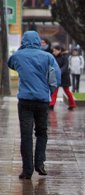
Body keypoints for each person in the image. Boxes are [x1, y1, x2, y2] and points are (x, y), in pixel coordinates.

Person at [7, 30, 61, 179]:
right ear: (38, 41)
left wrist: (22, 49)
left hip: (25, 101)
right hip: (42, 101)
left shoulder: (18, 56)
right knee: (42, 133)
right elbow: (56, 77)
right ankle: (40, 164)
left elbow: (10, 63)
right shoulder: (48, 57)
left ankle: (27, 170)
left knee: (26, 135)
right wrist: (48, 91)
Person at [50, 45, 77, 110]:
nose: (54, 52)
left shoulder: (65, 57)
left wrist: (59, 71)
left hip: (64, 77)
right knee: (54, 91)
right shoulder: (52, 57)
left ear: (59, 50)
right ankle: (51, 104)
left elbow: (65, 66)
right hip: (56, 76)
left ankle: (72, 104)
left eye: (55, 50)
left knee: (67, 91)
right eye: (53, 51)